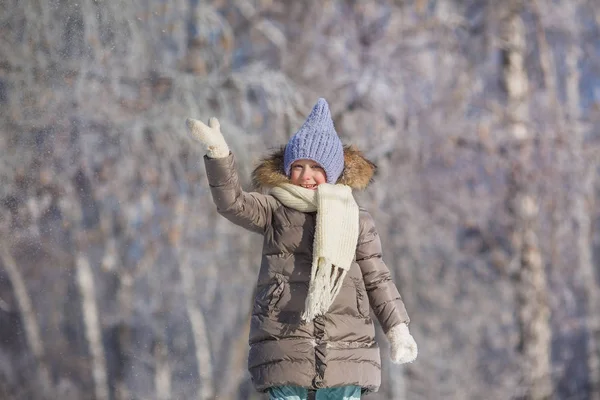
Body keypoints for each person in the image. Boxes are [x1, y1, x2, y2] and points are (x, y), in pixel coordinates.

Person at [186, 98, 417, 400]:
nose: (306, 175)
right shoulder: (274, 210)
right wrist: (218, 155)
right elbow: (233, 203)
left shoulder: (357, 221)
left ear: (333, 171)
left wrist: (398, 329)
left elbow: (377, 279)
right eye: (298, 166)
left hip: (345, 346)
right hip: (285, 338)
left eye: (316, 167)